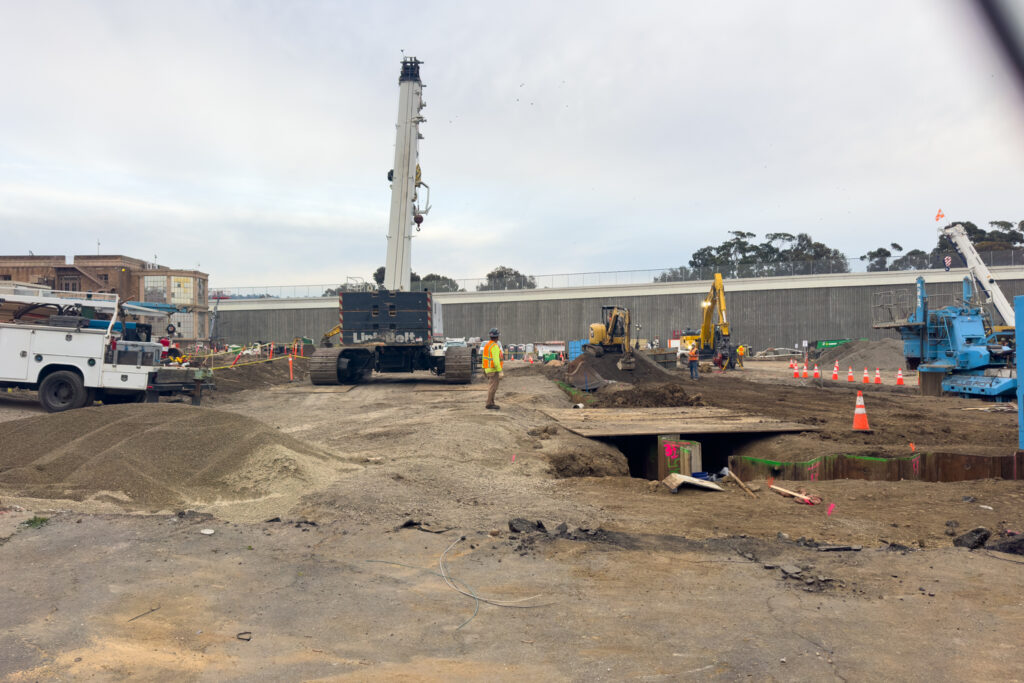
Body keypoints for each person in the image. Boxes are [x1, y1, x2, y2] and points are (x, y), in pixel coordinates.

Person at [482, 327, 504, 409]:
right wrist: (500, 371)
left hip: (488, 369)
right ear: (497, 337)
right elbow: (496, 361)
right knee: (493, 387)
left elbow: (484, 358)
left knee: (492, 386)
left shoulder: (487, 345)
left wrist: (483, 368)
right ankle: (489, 403)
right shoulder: (494, 346)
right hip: (493, 370)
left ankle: (491, 402)